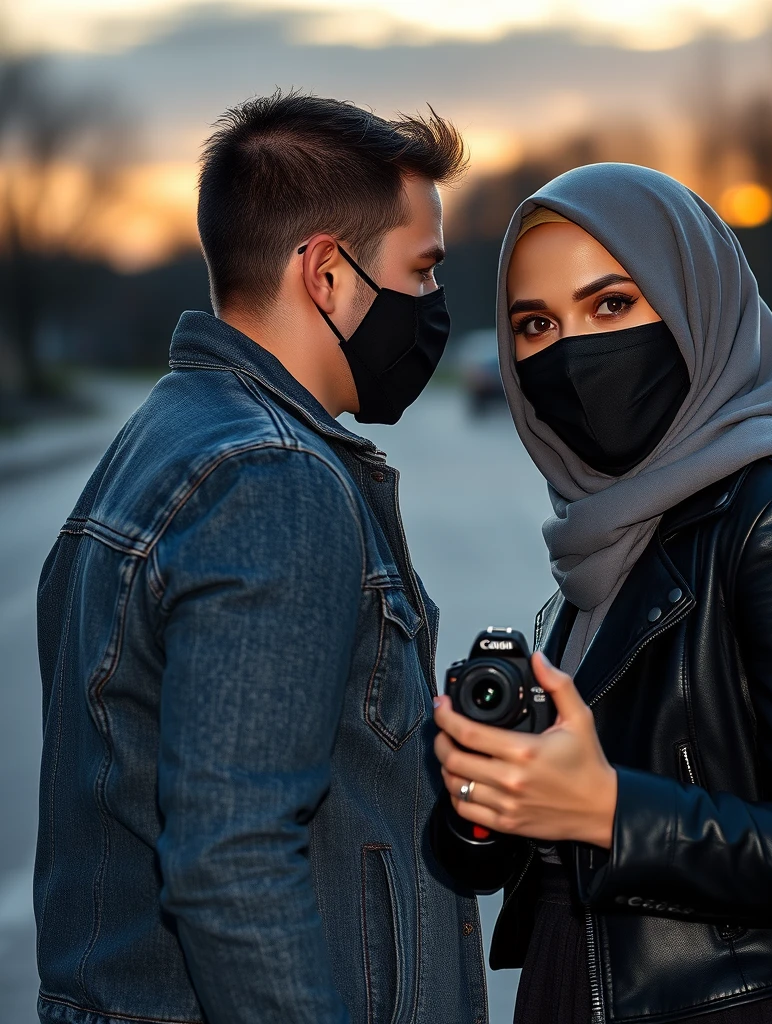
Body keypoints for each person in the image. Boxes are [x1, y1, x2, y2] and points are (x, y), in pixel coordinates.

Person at [430, 163, 772, 1024]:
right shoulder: (612, 533)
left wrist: (608, 810)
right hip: (576, 986)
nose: (570, 350)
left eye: (611, 305)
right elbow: (530, 848)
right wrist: (486, 797)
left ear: (694, 302)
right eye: (534, 324)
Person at [34, 92, 490, 1024]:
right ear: (327, 273)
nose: (434, 307)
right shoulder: (274, 481)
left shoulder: (163, 440)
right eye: (422, 271)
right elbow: (231, 860)